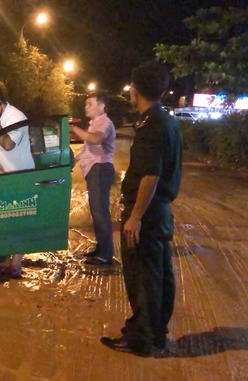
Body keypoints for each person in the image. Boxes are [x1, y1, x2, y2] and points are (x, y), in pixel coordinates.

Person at [101, 61, 183, 357]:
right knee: (160, 275)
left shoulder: (152, 125)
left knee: (143, 278)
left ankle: (140, 338)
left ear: (135, 90)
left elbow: (151, 175)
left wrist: (135, 216)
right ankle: (157, 333)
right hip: (159, 212)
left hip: (146, 213)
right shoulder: (168, 121)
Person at [0, 85, 35, 278]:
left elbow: (8, 144)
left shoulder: (17, 118)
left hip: (16, 175)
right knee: (2, 217)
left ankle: (16, 264)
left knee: (17, 217)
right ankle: (3, 256)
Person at [71, 92, 116, 266]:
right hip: (95, 170)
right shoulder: (95, 124)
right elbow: (88, 149)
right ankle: (101, 249)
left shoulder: (104, 123)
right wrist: (74, 160)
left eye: (90, 104)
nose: (86, 107)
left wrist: (74, 129)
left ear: (101, 106)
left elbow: (96, 140)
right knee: (96, 211)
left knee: (100, 212)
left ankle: (105, 255)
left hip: (100, 169)